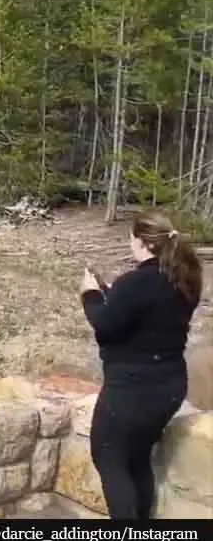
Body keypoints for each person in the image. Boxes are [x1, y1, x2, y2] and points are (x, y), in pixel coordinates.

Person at [80, 211, 202, 520]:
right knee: (136, 459)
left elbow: (106, 327)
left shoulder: (135, 283)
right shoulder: (183, 278)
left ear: (143, 242)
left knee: (108, 456)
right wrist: (113, 293)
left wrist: (91, 295)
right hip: (169, 385)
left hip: (134, 390)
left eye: (132, 238)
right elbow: (147, 314)